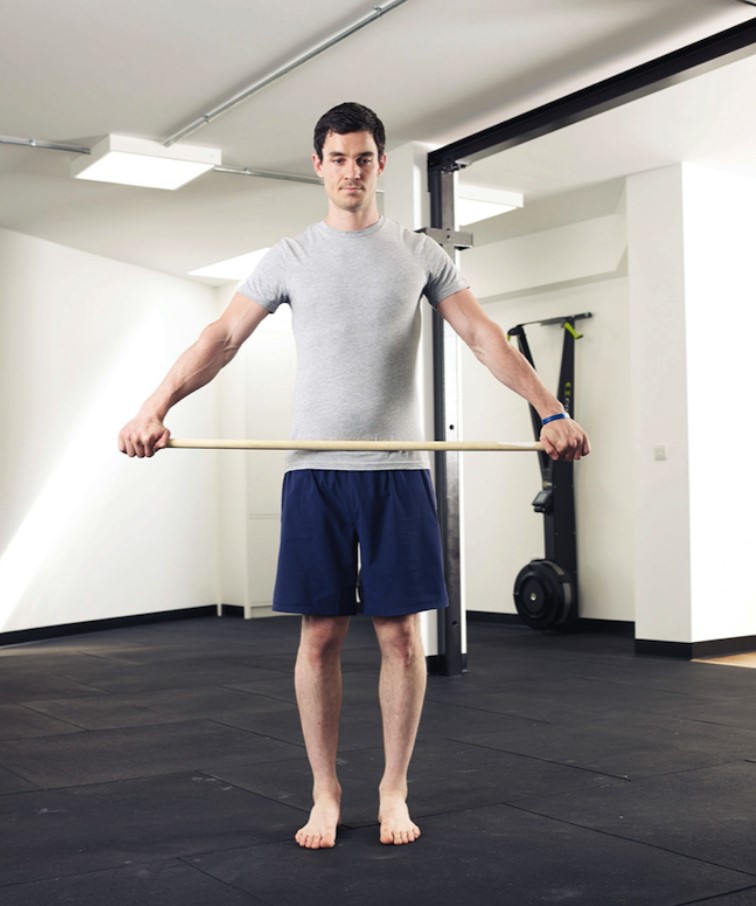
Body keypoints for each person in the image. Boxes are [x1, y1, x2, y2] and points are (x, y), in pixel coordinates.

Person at [118, 101, 590, 850]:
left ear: (379, 163)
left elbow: (481, 336)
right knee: (319, 639)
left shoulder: (420, 253)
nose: (350, 171)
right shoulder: (290, 256)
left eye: (363, 158)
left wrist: (548, 411)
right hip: (317, 474)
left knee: (402, 638)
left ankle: (394, 788)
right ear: (318, 165)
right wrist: (154, 405)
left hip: (397, 473)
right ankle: (325, 792)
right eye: (337, 158)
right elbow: (221, 338)